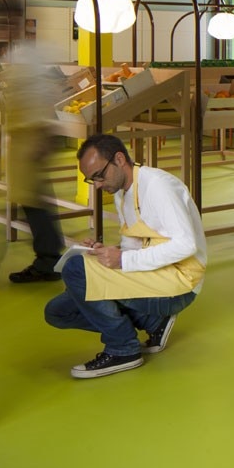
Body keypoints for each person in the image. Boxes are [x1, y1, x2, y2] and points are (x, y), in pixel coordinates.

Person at [44, 134, 207, 378]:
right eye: (92, 179)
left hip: (181, 283)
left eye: (99, 175)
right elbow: (133, 245)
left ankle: (123, 348)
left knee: (76, 270)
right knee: (57, 311)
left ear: (119, 159)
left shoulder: (158, 186)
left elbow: (186, 244)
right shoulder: (122, 192)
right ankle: (152, 322)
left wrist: (122, 260)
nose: (97, 185)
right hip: (155, 277)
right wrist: (105, 252)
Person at [0, 0, 66, 283]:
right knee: (32, 199)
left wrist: (42, 140)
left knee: (35, 201)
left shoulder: (27, 54)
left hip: (31, 137)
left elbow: (41, 96)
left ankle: (48, 260)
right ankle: (48, 256)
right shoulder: (16, 52)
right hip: (23, 138)